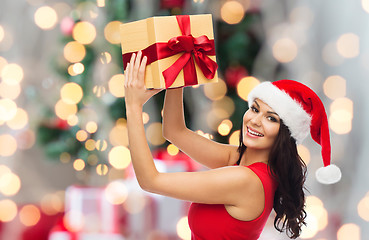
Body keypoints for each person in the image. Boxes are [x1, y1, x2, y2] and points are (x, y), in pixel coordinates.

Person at [123, 51, 341, 239]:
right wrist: (178, 74)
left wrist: (133, 107)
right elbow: (174, 131)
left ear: (285, 135)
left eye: (271, 118)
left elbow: (150, 181)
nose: (255, 120)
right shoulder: (238, 160)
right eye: (255, 109)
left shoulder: (246, 180)